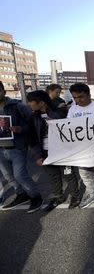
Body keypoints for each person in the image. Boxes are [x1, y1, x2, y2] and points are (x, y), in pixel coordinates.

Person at [27, 90, 80, 211]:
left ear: (41, 103)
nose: (29, 104)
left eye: (31, 102)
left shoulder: (60, 113)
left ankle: (75, 196)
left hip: (63, 151)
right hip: (45, 152)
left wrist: (53, 120)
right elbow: (33, 139)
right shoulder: (33, 118)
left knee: (69, 174)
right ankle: (58, 197)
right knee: (53, 176)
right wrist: (38, 156)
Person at [0, 81, 43, 213]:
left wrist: (20, 129)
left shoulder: (17, 106)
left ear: (4, 91)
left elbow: (32, 124)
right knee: (8, 176)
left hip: (17, 147)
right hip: (1, 149)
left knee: (20, 175)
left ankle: (35, 197)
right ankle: (21, 194)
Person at [67, 83, 94, 209]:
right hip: (80, 148)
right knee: (84, 172)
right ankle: (92, 193)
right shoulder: (73, 109)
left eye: (81, 97)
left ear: (89, 95)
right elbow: (67, 125)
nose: (78, 100)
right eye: (75, 97)